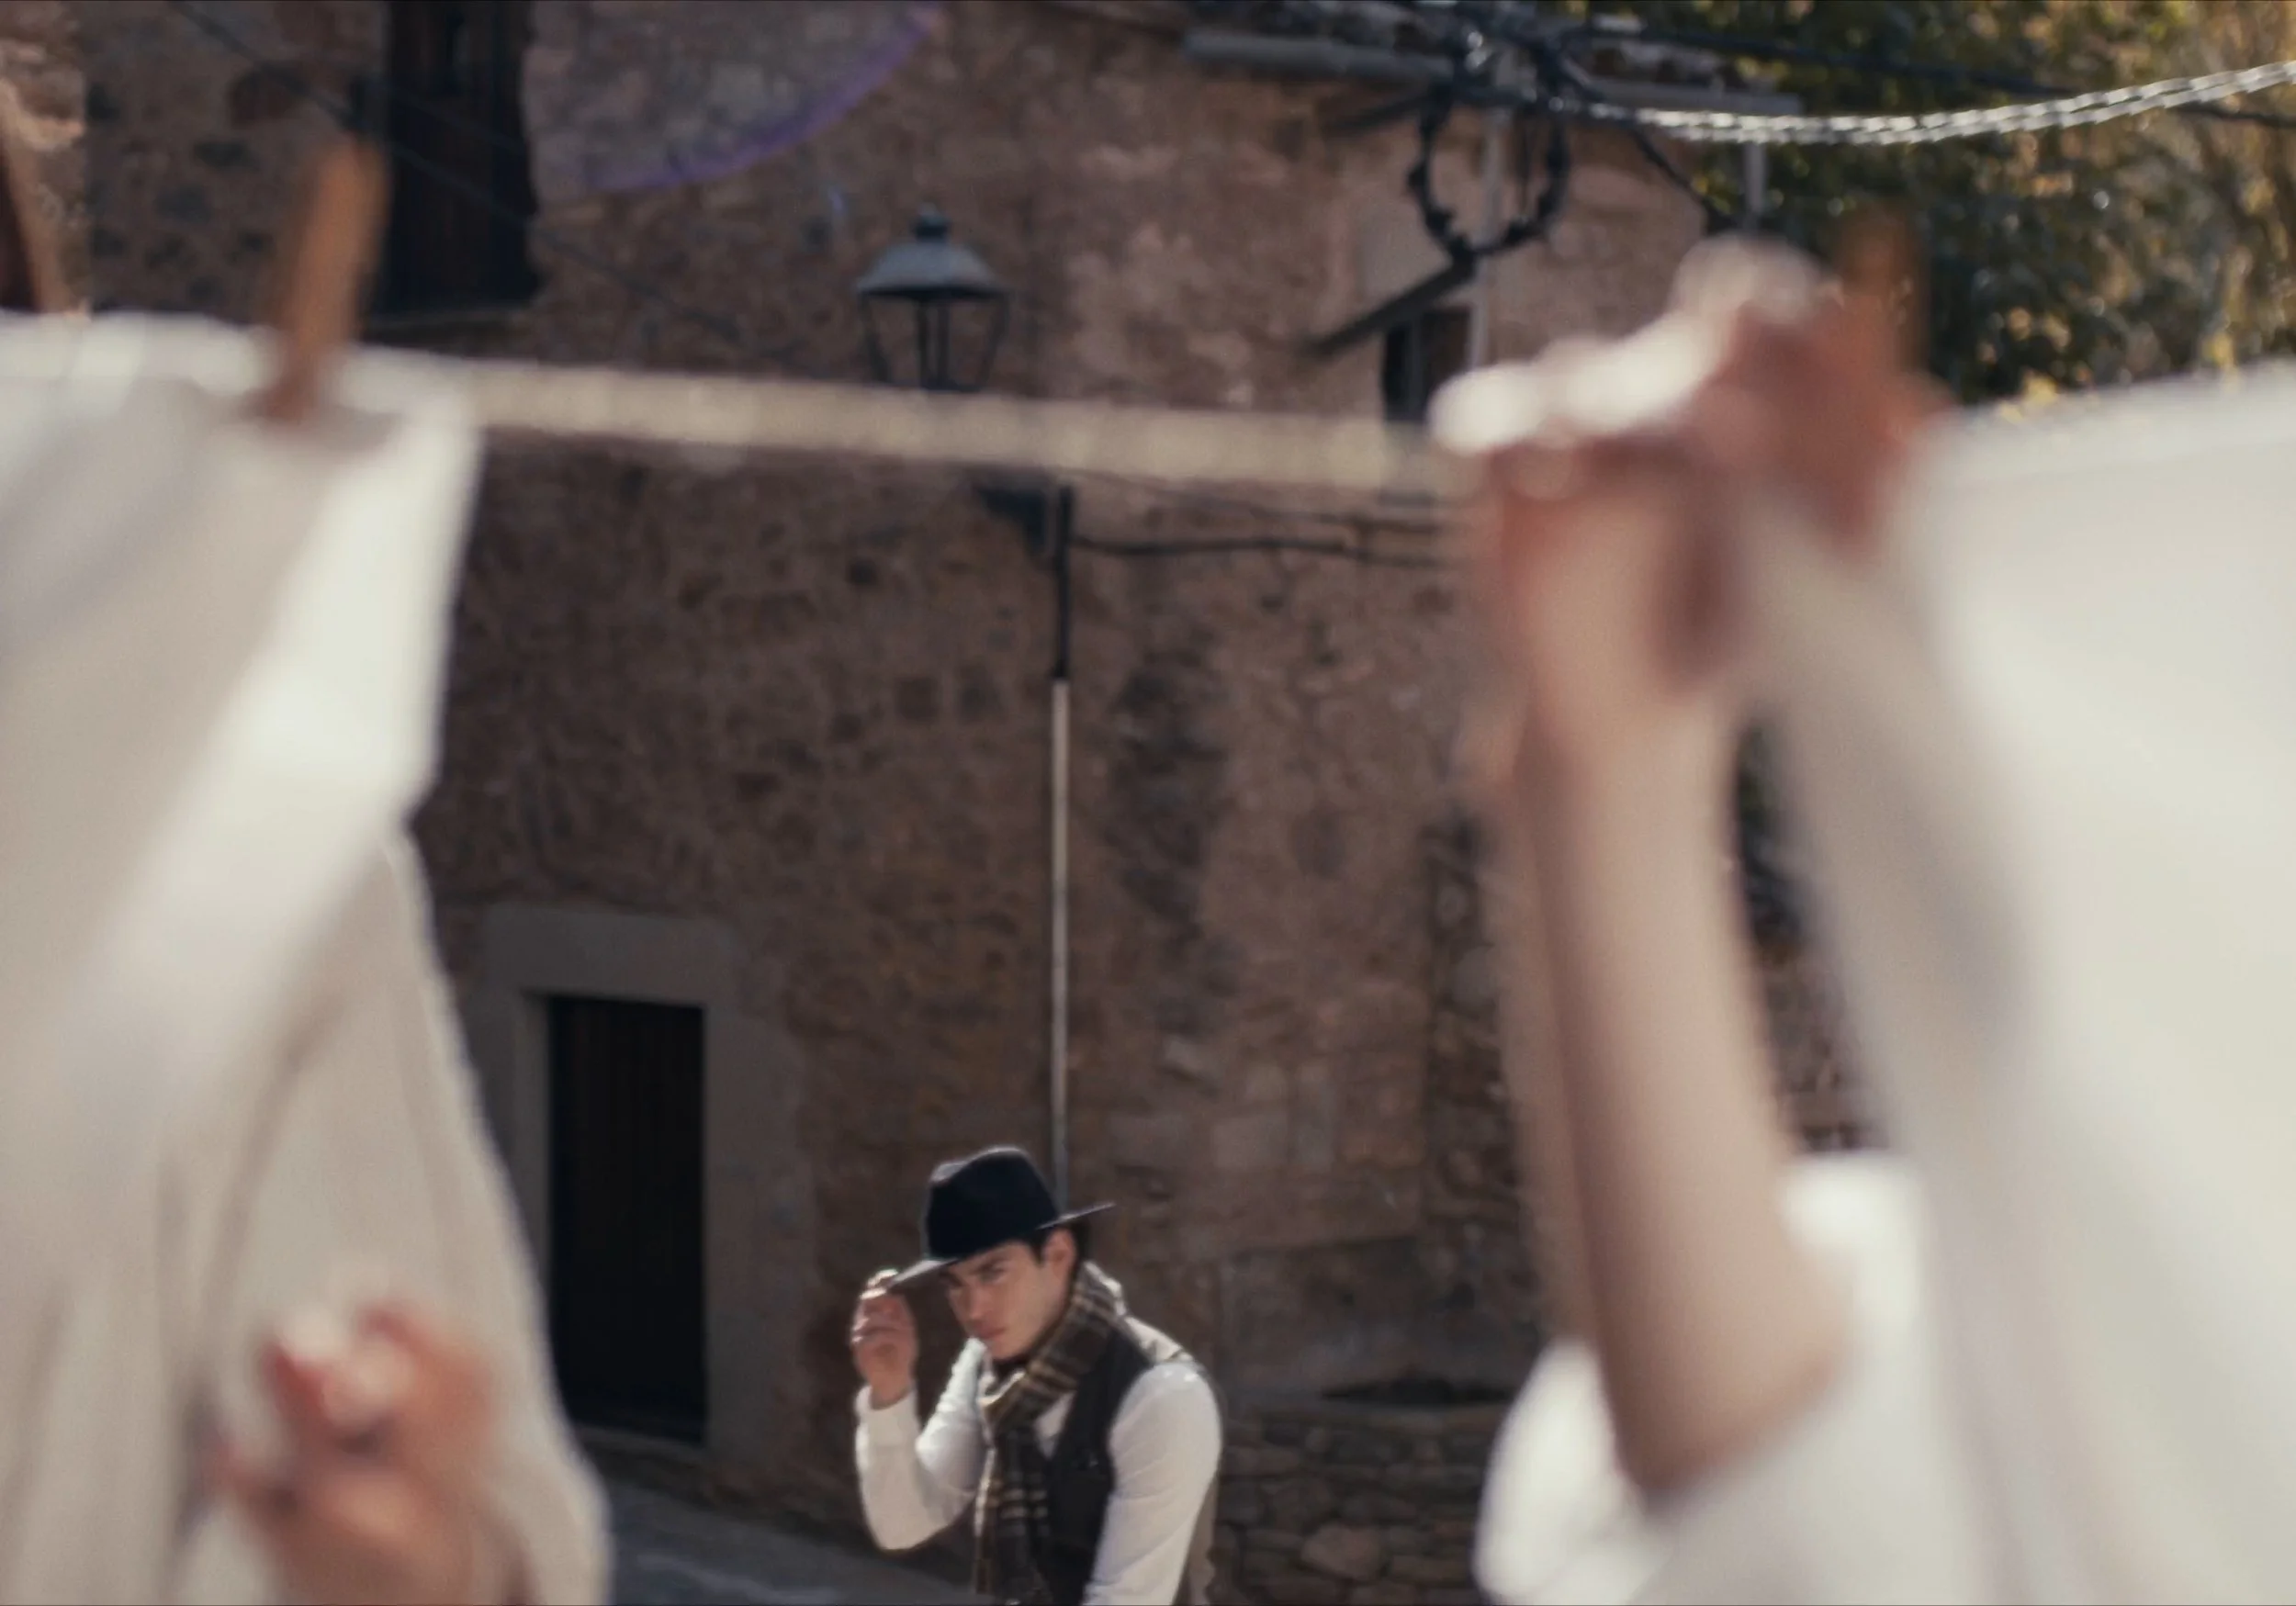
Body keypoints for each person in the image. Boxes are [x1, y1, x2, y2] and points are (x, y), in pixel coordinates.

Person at [849, 1147, 1221, 1605]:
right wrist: (889, 1394)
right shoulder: (986, 1365)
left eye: (993, 1274)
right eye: (955, 1284)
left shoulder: (1161, 1397)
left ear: (1058, 1254)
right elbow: (903, 1524)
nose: (974, 1309)